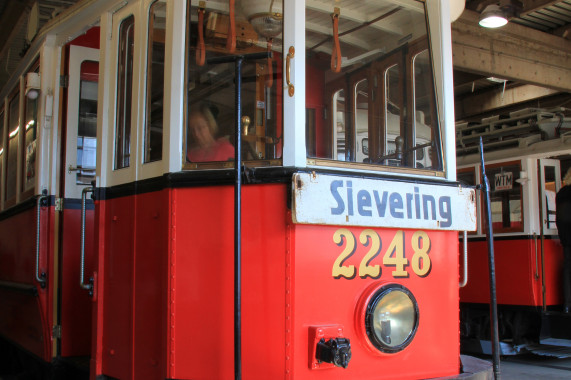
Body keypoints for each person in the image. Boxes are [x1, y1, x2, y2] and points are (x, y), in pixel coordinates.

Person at [556, 167, 571, 313]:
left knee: (568, 270)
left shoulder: (561, 193)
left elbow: (560, 219)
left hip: (566, 240)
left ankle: (567, 304)